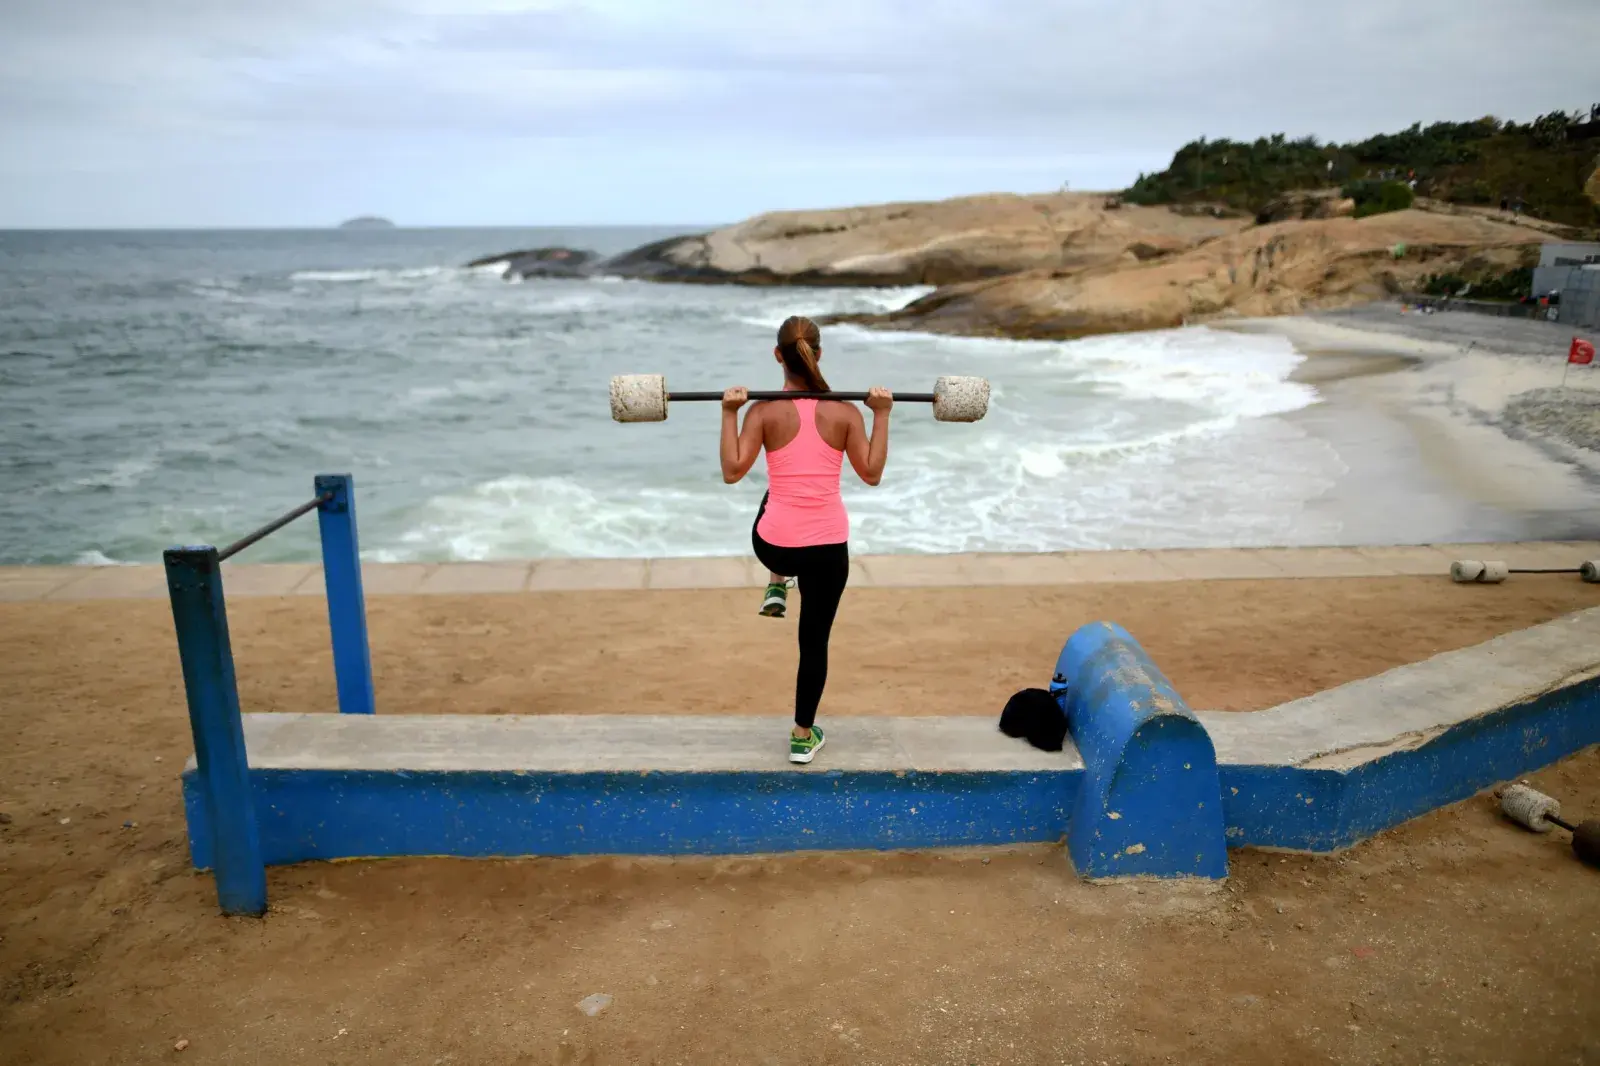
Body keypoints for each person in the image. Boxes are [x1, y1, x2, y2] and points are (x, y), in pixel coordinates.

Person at [719, 315, 891, 763]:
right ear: (818, 353)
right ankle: (802, 735)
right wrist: (882, 414)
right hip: (827, 551)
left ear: (779, 355)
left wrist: (729, 412)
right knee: (813, 642)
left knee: (775, 492)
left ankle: (777, 579)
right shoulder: (846, 413)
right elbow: (870, 474)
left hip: (774, 544)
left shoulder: (762, 411)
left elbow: (732, 471)